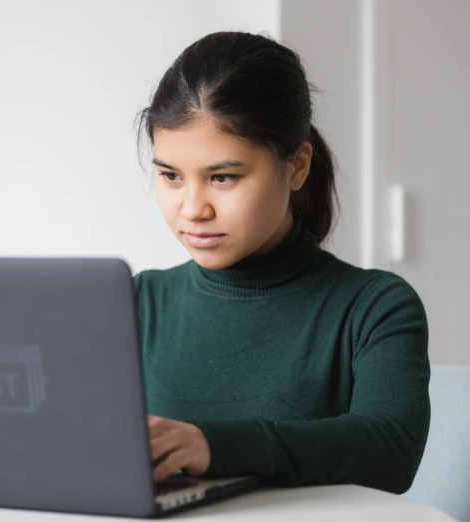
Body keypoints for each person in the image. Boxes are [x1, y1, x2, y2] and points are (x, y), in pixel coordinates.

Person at [133, 31, 430, 494]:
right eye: (170, 175)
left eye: (224, 177)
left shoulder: (375, 307)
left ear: (297, 166)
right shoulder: (136, 301)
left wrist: (213, 445)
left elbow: (390, 450)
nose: (192, 208)